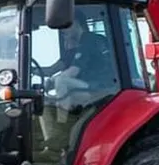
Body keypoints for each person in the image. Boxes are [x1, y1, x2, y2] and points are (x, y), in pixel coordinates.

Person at [37, 8, 114, 150]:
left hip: (100, 90)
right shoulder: (74, 47)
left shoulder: (90, 40)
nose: (62, 31)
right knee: (42, 101)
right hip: (83, 88)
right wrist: (32, 70)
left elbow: (71, 73)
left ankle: (62, 126)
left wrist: (52, 82)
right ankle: (52, 144)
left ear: (76, 23)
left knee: (61, 81)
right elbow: (52, 70)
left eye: (65, 27)